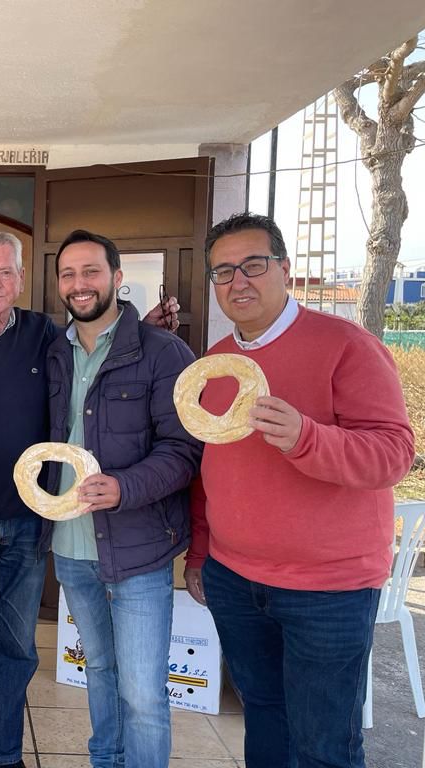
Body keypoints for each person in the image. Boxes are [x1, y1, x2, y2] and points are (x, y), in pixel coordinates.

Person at [0, 231, 179, 768]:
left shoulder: (47, 333)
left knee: (17, 650)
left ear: (22, 279)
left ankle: (4, 755)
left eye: (5, 272)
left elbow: (113, 345)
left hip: (30, 522)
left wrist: (146, 328)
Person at [183, 212, 415, 768]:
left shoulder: (345, 345)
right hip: (235, 579)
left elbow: (394, 454)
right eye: (223, 272)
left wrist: (307, 437)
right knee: (264, 716)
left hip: (327, 589)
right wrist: (201, 552)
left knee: (323, 744)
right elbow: (209, 468)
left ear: (285, 269)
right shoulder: (217, 362)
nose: (238, 282)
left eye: (253, 265)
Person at [46, 230, 202, 767]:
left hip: (138, 550)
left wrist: (123, 487)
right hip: (71, 548)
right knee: (101, 675)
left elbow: (184, 451)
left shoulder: (164, 353)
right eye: (68, 274)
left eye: (91, 272)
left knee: (142, 694)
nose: (79, 284)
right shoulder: (53, 352)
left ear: (116, 278)